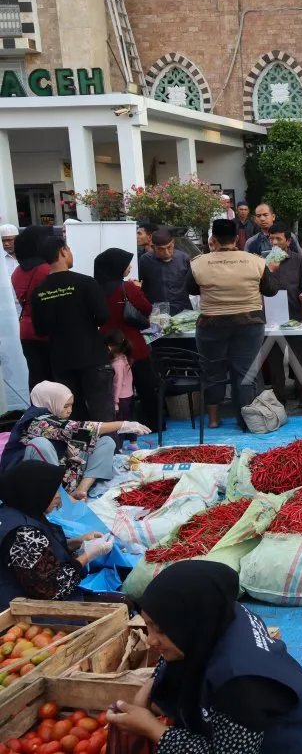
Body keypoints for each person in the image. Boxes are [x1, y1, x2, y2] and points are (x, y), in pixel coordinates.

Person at [107, 560, 302, 750]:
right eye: (148, 625)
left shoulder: (241, 684)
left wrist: (152, 729)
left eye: (160, 630)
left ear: (188, 624)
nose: (149, 640)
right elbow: (183, 649)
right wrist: (149, 688)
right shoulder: (220, 616)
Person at [188, 217, 281, 429]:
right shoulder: (255, 261)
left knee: (212, 369)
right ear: (238, 239)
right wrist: (272, 271)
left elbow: (191, 289)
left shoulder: (198, 262)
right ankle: (246, 421)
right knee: (245, 371)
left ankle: (213, 419)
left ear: (213, 239)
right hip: (249, 323)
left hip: (211, 323)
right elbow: (271, 290)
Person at [0, 381, 147, 497]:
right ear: (50, 401)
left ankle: (81, 489)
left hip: (60, 469)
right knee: (40, 444)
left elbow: (74, 435)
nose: (69, 410)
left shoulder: (54, 417)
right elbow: (76, 430)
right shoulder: (36, 420)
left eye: (71, 405)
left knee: (105, 442)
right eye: (65, 406)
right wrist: (122, 424)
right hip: (32, 481)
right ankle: (58, 497)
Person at [0, 462, 114, 604]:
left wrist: (76, 542)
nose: (59, 497)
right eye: (53, 491)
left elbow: (43, 552)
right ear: (34, 492)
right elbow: (51, 590)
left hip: (32, 594)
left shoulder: (15, 510)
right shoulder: (24, 533)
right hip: (24, 608)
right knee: (121, 602)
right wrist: (87, 556)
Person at [30, 237, 114, 422]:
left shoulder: (39, 291)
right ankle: (107, 449)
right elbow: (103, 316)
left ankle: (77, 450)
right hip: (92, 356)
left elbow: (40, 329)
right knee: (102, 413)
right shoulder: (86, 283)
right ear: (63, 251)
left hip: (61, 360)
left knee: (72, 415)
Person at [93, 248, 159, 430]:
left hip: (107, 345)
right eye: (126, 264)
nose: (129, 267)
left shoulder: (93, 287)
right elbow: (146, 309)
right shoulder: (127, 287)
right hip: (132, 344)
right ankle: (153, 423)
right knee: (145, 385)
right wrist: (139, 290)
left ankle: (115, 425)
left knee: (113, 389)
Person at [262, 225, 302, 409]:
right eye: (272, 239)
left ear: (288, 241)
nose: (275, 243)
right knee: (274, 360)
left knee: (300, 358)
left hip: (295, 316)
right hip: (271, 318)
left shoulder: (299, 260)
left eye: (279, 239)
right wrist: (270, 269)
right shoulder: (263, 261)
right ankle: (278, 399)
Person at [11, 226, 52, 390]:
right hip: (46, 329)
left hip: (26, 328)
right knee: (53, 377)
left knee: (36, 375)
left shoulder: (17, 271)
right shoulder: (46, 269)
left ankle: (37, 412)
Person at [139, 229, 192, 315]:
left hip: (182, 309)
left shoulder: (184, 258)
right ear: (153, 247)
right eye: (161, 249)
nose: (166, 252)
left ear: (173, 243)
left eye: (169, 247)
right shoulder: (145, 260)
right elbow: (140, 283)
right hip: (156, 311)